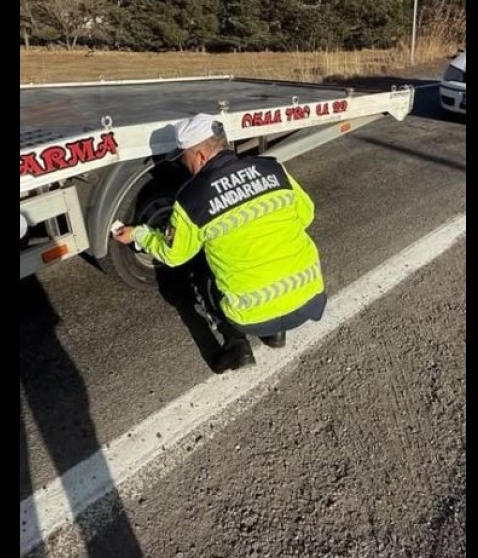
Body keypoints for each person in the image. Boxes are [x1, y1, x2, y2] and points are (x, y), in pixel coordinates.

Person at [112, 113, 327, 372]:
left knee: (199, 265)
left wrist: (137, 234)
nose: (183, 164)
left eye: (184, 157)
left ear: (200, 154)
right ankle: (276, 335)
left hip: (251, 316)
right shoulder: (273, 168)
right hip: (311, 297)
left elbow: (173, 255)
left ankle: (236, 346)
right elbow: (306, 214)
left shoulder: (193, 198)